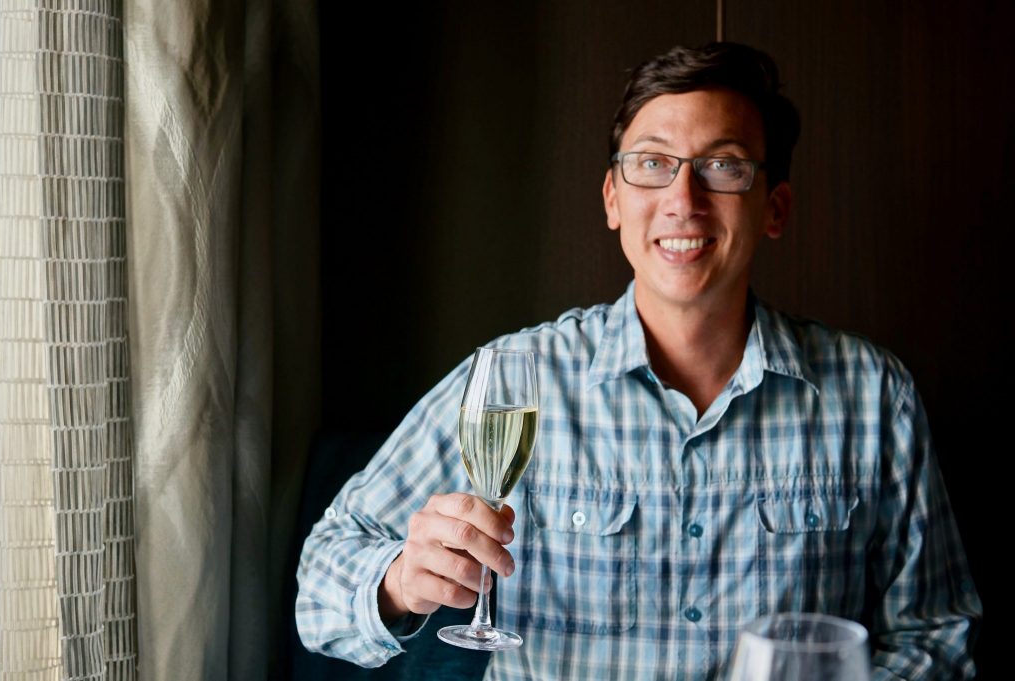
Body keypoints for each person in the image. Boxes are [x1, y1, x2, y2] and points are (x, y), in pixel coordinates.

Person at [296, 43, 981, 679]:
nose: (683, 201)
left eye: (723, 166)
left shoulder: (873, 395)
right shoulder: (515, 377)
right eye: (652, 164)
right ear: (612, 199)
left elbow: (938, 634)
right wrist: (398, 581)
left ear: (774, 208)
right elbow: (321, 585)